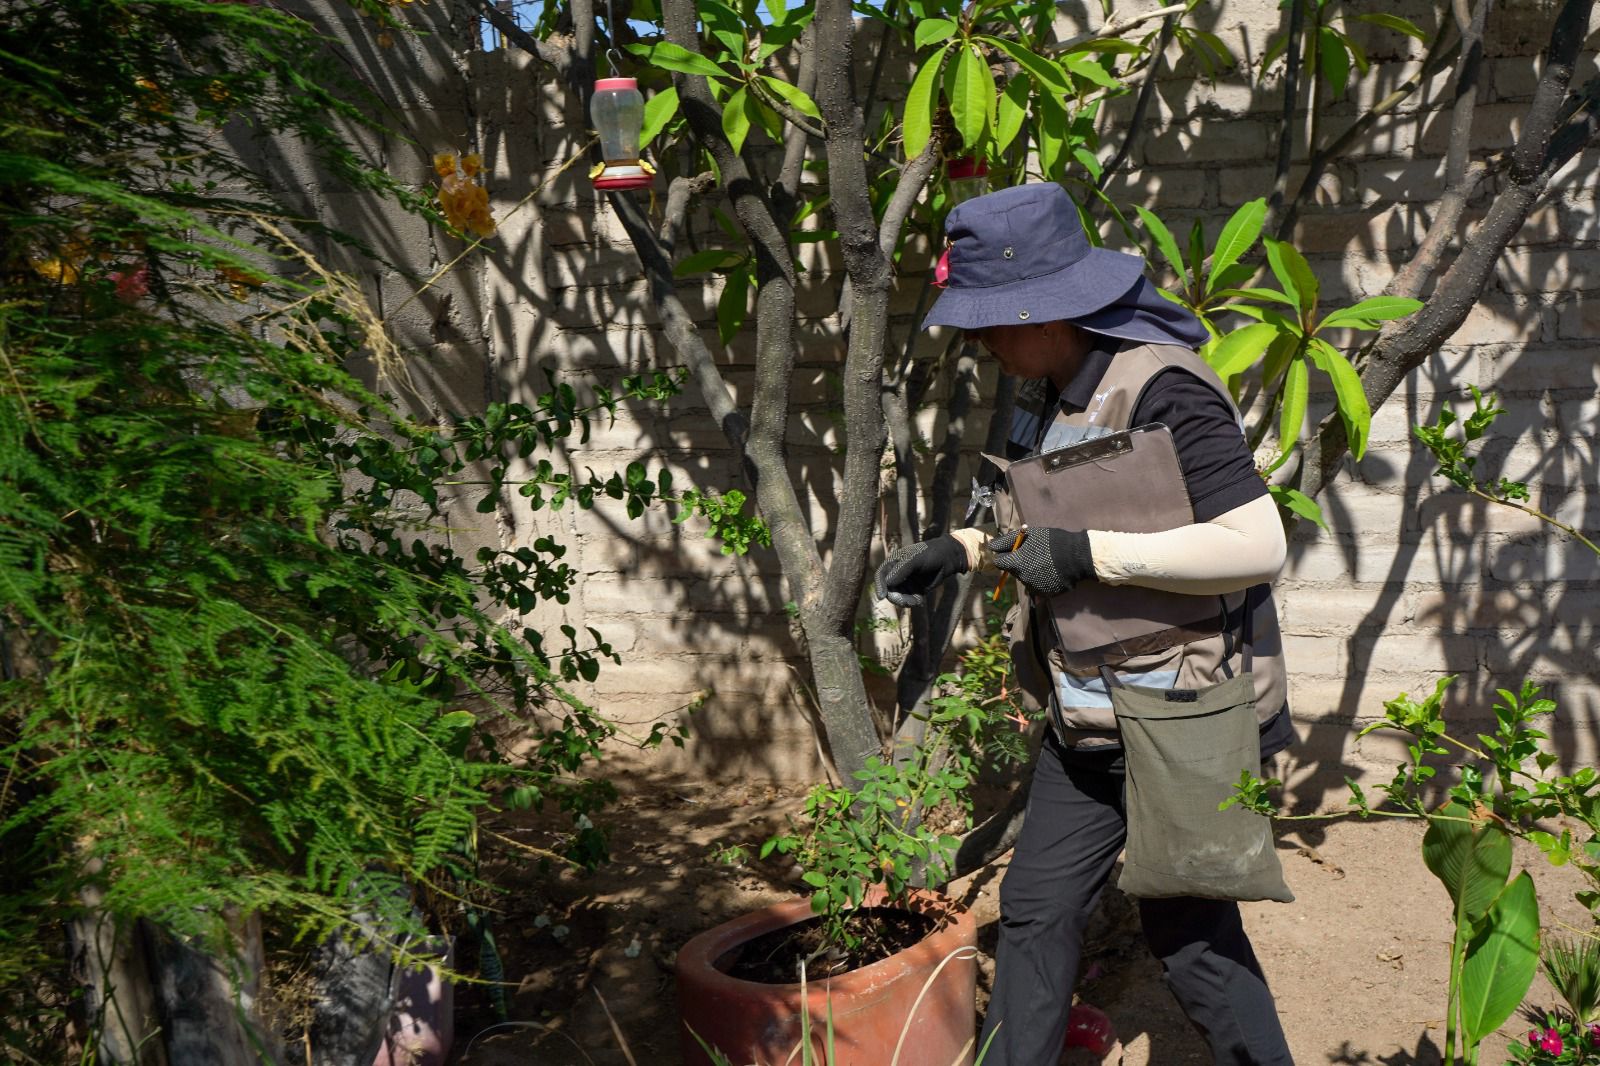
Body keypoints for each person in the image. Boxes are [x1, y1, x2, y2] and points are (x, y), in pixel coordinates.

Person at [874, 183, 1296, 1065]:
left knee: (1190, 938)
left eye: (991, 319)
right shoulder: (1051, 387)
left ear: (1047, 307)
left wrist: (1086, 556)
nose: (981, 340)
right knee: (1035, 908)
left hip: (1181, 714)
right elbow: (1050, 514)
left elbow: (1257, 543)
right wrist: (962, 548)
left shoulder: (1162, 388)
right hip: (1090, 712)